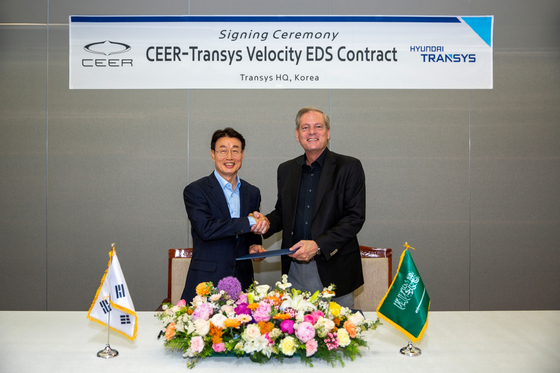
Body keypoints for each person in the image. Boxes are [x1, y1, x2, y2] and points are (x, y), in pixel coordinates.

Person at [259, 106, 366, 308]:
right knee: (294, 335)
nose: (312, 132)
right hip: (293, 270)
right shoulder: (286, 169)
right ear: (297, 135)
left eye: (318, 126)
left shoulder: (349, 167)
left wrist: (317, 245)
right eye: (305, 127)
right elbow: (283, 213)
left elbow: (354, 218)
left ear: (328, 133)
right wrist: (264, 223)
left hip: (334, 269)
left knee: (338, 336)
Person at [180, 127, 268, 302]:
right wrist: (250, 220)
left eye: (235, 151)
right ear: (213, 154)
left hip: (243, 282)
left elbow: (249, 233)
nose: (229, 157)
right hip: (206, 282)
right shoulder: (196, 190)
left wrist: (254, 246)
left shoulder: (252, 192)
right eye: (223, 151)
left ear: (242, 154)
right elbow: (206, 229)